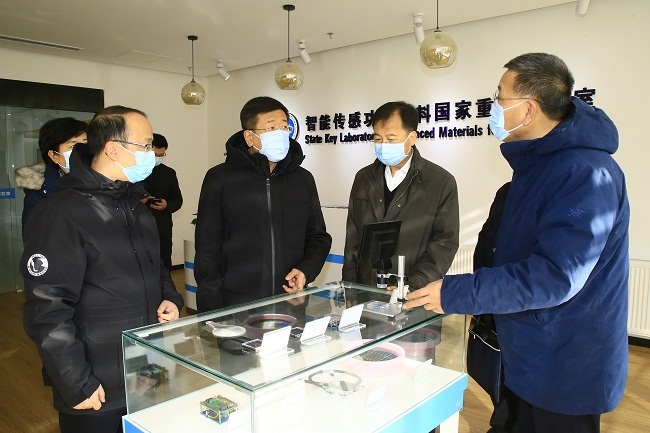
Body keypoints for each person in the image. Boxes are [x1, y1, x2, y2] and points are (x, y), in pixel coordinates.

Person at [404, 53, 629, 433]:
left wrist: (459, 292)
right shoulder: (539, 168)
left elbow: (555, 274)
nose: (493, 106)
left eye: (499, 97)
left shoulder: (585, 174)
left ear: (528, 109)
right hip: (527, 350)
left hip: (565, 364)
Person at [21, 105, 184, 433]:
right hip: (96, 383)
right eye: (145, 145)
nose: (151, 153)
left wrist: (171, 297)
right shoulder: (61, 214)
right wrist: (75, 380)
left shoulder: (136, 208)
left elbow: (157, 269)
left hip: (146, 369)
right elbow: (47, 308)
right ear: (113, 148)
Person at [194, 96, 332, 312]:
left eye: (284, 127)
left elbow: (318, 237)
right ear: (249, 137)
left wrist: (306, 270)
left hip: (290, 301)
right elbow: (207, 249)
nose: (280, 133)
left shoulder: (302, 179)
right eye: (271, 127)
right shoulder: (220, 179)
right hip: (236, 305)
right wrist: (211, 310)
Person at [342, 101, 459, 290]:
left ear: (412, 138)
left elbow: (444, 242)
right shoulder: (364, 178)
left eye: (391, 139)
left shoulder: (440, 182)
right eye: (378, 138)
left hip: (412, 291)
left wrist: (413, 285)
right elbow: (352, 238)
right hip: (367, 289)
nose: (383, 145)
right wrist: (349, 287)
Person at [15, 117, 87, 228]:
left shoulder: (102, 182)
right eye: (73, 146)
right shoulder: (38, 198)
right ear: (54, 156)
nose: (82, 151)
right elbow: (37, 237)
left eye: (85, 144)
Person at [142, 133, 183, 270]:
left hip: (162, 228)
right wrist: (140, 200)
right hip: (140, 227)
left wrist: (166, 205)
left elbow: (178, 200)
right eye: (155, 155)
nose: (158, 158)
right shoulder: (135, 171)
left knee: (164, 264)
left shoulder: (168, 173)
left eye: (161, 155)